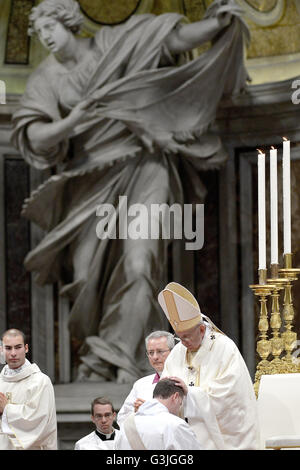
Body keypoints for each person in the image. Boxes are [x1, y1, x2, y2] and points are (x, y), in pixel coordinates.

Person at [11, 0, 249, 383]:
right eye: (39, 33)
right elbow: (34, 133)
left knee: (140, 264)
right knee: (87, 275)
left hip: (145, 165)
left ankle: (123, 362)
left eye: (50, 27)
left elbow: (170, 39)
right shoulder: (47, 78)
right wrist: (74, 120)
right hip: (88, 180)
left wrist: (214, 25)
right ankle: (104, 355)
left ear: (68, 21)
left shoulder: (115, 42)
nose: (47, 38)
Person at [158, 282, 261, 450]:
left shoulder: (225, 348)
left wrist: (190, 394)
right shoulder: (177, 352)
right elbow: (165, 388)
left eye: (187, 337)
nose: (184, 343)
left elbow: (232, 395)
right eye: (179, 338)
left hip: (223, 437)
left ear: (201, 329)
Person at [0, 329, 57, 450]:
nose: (13, 353)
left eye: (18, 347)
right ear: (1, 350)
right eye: (8, 348)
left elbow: (39, 421)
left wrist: (6, 409)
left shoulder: (40, 382)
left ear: (26, 348)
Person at [115, 378, 202, 450]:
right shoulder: (176, 425)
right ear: (175, 397)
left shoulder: (126, 424)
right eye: (180, 403)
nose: (179, 408)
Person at [117, 330, 174, 425]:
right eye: (151, 352)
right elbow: (122, 418)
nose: (155, 357)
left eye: (160, 351)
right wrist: (137, 413)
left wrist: (151, 411)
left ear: (173, 351)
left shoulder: (184, 380)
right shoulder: (140, 384)